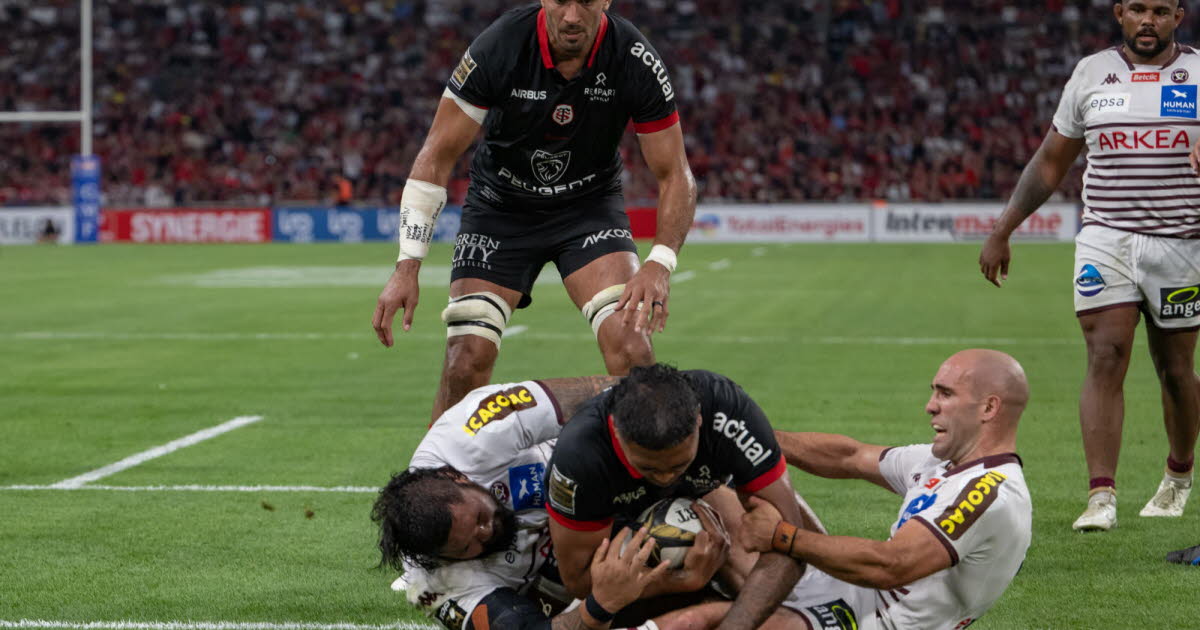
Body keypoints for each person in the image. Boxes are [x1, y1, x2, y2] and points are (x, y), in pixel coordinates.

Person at [372, 0, 697, 420]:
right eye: (562, 0)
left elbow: (677, 174)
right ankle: (438, 482)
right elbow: (436, 154)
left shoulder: (634, 57)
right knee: (465, 359)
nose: (573, 16)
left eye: (586, 1)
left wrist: (660, 264)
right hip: (500, 210)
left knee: (633, 348)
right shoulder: (500, 45)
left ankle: (653, 479)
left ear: (606, 1)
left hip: (588, 211)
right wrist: (407, 265)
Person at [979, 0, 1199, 531]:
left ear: (1178, 17)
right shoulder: (1091, 73)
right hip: (1106, 239)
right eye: (1139, 10)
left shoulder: (1198, 74)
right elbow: (1052, 158)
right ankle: (1101, 496)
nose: (1149, 21)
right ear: (1120, 13)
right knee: (1106, 354)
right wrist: (1004, 227)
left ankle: (1178, 474)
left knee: (1175, 372)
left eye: (1162, 11)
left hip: (1182, 243)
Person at [653, 349, 1032, 630]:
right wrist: (752, 438)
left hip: (878, 622)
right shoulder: (941, 462)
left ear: (988, 408)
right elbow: (848, 456)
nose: (930, 406)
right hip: (847, 588)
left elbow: (891, 564)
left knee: (701, 619)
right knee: (715, 483)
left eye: (945, 394)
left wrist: (783, 536)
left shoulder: (989, 493)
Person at [374, 374, 683, 630]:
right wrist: (600, 606)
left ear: (458, 477)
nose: (485, 532)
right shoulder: (437, 584)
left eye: (480, 516)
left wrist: (666, 404)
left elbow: (600, 394)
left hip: (593, 480)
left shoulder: (470, 433)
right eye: (468, 548)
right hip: (553, 586)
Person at [545, 364, 819, 630]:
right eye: (649, 467)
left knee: (771, 585)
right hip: (616, 526)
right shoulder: (580, 457)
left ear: (699, 420)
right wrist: (679, 581)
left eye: (678, 465)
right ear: (617, 431)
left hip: (705, 494)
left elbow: (790, 541)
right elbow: (579, 582)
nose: (665, 477)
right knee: (612, 600)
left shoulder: (726, 409)